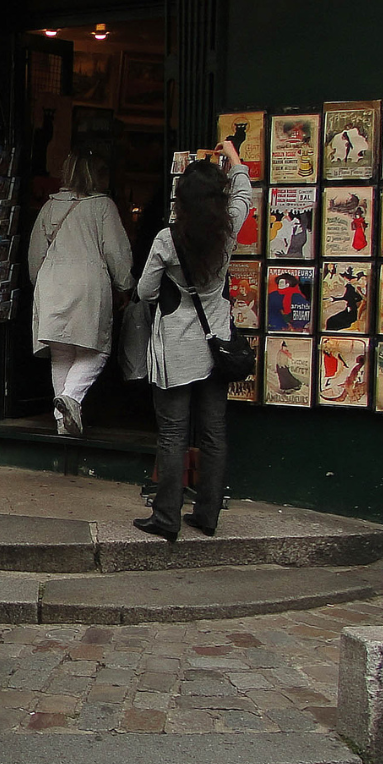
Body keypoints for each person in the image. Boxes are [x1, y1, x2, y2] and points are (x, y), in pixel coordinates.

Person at [134, 139, 252, 541]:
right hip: (216, 341)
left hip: (176, 347)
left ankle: (166, 517)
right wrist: (233, 159)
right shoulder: (229, 229)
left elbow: (146, 291)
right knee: (214, 432)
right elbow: (245, 195)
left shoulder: (167, 240)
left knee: (172, 434)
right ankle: (207, 515)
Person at [26, 151, 134, 437]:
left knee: (61, 352)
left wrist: (40, 283)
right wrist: (125, 285)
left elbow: (35, 254)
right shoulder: (103, 206)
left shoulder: (49, 207)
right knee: (96, 349)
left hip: (51, 282)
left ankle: (63, 424)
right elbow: (116, 252)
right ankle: (71, 398)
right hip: (88, 283)